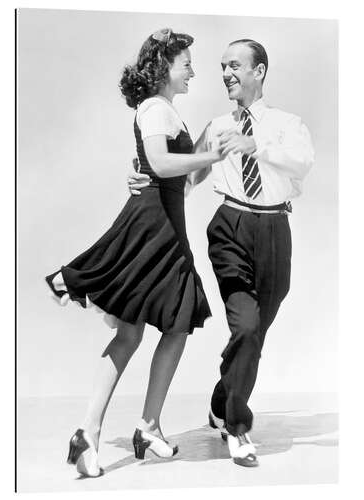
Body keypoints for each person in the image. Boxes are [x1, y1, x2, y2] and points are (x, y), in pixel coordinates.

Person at [45, 28, 232, 477]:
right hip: (154, 228)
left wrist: (207, 141)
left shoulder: (170, 112)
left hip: (165, 222)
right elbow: (162, 164)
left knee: (154, 328)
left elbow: (182, 182)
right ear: (163, 66)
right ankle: (137, 427)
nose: (193, 69)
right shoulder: (153, 108)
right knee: (168, 322)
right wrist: (209, 157)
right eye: (185, 61)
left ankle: (101, 432)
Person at [128, 38, 314, 467]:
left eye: (235, 65)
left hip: (274, 230)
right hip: (229, 226)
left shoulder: (287, 123)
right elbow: (187, 180)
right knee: (246, 326)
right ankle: (237, 427)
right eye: (222, 67)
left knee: (255, 332)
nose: (226, 73)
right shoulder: (215, 127)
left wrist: (257, 147)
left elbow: (302, 163)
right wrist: (145, 185)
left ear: (259, 71)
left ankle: (220, 400)